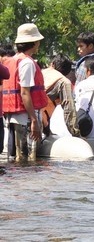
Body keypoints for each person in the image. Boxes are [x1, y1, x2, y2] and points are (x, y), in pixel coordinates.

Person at [2, 24, 47, 161]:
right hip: (25, 117)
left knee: (18, 158)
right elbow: (25, 93)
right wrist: (33, 120)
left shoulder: (12, 60)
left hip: (14, 116)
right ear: (34, 43)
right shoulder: (27, 63)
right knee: (27, 159)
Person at [42, 54, 80, 137]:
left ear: (52, 64)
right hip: (38, 123)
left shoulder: (40, 73)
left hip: (21, 116)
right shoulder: (64, 82)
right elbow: (69, 109)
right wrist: (75, 133)